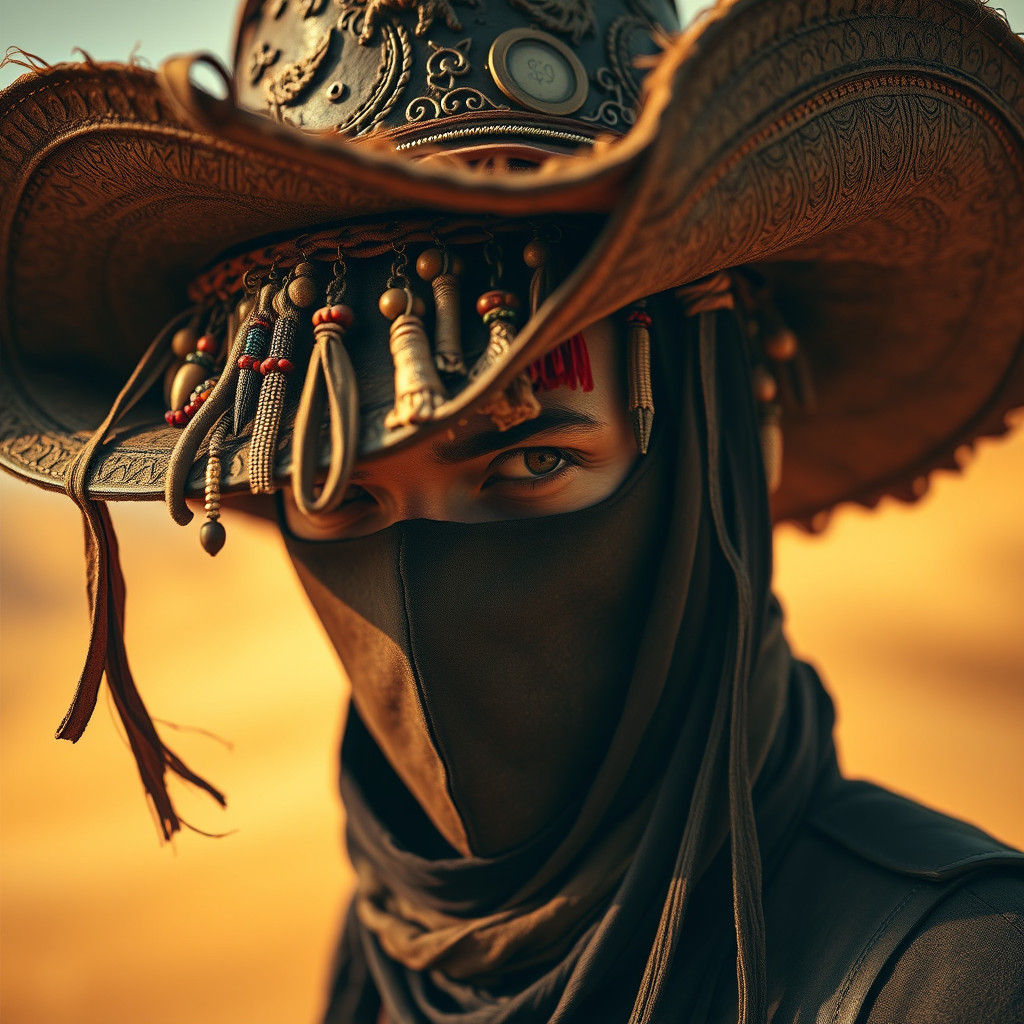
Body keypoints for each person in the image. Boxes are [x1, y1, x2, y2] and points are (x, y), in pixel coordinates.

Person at [1, 1, 1023, 1022]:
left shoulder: (960, 978)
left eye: (532, 460)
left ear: (723, 446)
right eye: (338, 489)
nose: (422, 607)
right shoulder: (386, 955)